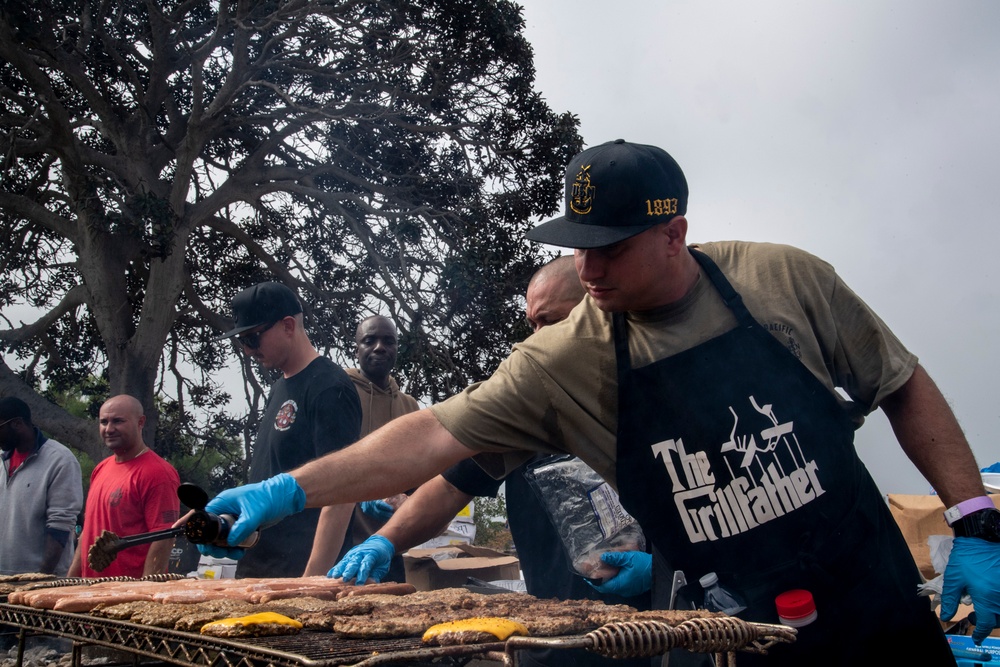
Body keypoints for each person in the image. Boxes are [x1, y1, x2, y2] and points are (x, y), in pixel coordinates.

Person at [201, 140, 999, 665]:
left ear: (674, 233)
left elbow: (899, 381)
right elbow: (433, 439)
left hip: (874, 592)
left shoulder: (782, 280)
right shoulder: (565, 358)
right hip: (731, 627)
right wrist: (289, 490)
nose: (589, 270)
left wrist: (972, 519)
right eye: (578, 246)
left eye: (609, 247)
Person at [331, 256, 651, 667]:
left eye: (551, 322)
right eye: (532, 324)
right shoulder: (523, 406)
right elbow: (449, 487)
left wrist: (657, 566)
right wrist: (384, 541)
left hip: (644, 630)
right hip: (550, 632)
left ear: (595, 313)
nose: (538, 338)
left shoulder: (646, 395)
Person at [216, 281, 362, 577]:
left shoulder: (329, 387)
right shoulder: (280, 386)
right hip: (257, 565)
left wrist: (311, 582)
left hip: (299, 573)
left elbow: (343, 492)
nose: (247, 350)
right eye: (241, 341)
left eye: (253, 338)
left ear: (287, 326)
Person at [68, 395, 180, 578]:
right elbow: (87, 534)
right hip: (89, 591)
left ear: (140, 422)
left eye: (118, 421)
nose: (109, 429)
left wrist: (145, 595)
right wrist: (71, 581)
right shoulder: (101, 469)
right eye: (104, 422)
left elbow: (164, 537)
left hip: (128, 595)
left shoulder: (158, 473)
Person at [345, 315, 420, 583]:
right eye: (369, 340)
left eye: (388, 341)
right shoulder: (340, 393)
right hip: (341, 542)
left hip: (388, 546)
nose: (379, 347)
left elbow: (420, 473)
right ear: (356, 349)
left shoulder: (409, 407)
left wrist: (406, 501)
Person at [0, 397, 84, 576]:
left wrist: (40, 579)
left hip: (40, 579)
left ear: (17, 424)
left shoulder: (60, 460)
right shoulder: (2, 459)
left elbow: (60, 526)